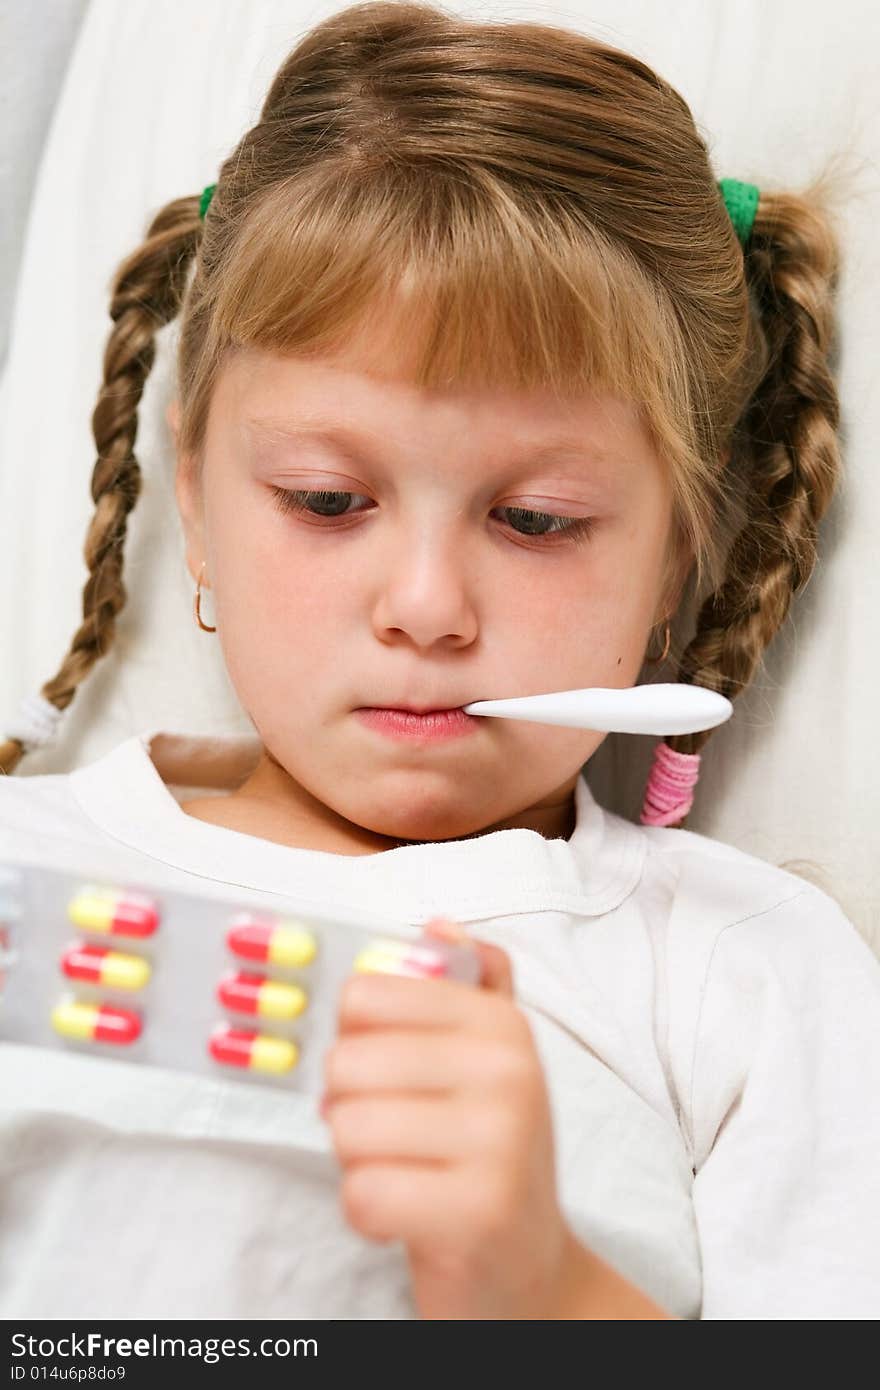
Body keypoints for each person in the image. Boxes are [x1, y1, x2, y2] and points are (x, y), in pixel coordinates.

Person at [1, 0, 877, 1320]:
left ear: (680, 552)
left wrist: (544, 1288)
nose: (425, 608)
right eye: (325, 499)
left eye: (533, 521)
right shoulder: (27, 860)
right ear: (192, 482)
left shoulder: (737, 967)